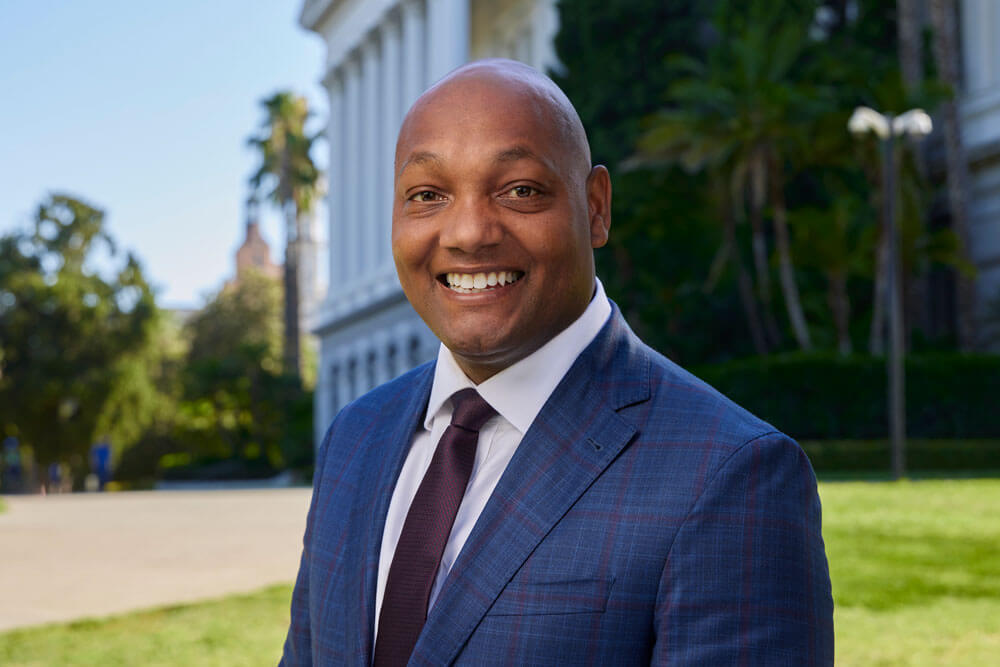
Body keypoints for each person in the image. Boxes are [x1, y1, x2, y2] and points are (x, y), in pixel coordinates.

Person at [282, 59, 833, 666]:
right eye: (428, 195)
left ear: (595, 208)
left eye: (520, 190)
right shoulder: (355, 438)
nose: (467, 233)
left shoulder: (733, 475)